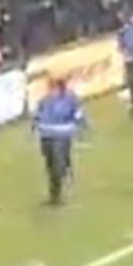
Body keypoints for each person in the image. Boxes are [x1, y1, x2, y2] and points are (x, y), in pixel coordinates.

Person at [32, 78, 86, 208]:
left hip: (62, 134)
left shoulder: (71, 99)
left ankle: (57, 193)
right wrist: (35, 127)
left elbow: (78, 114)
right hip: (47, 135)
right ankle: (55, 190)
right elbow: (37, 115)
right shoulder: (45, 100)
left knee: (57, 164)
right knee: (50, 164)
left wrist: (81, 125)